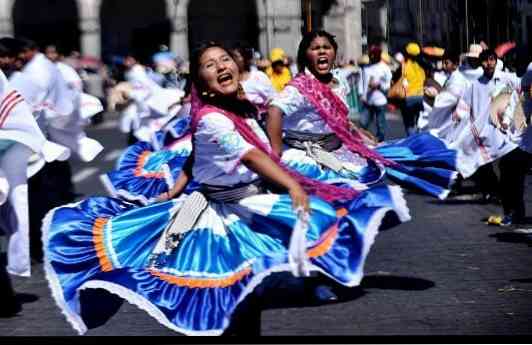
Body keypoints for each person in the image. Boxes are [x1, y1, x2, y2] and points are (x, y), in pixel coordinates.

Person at [42, 41, 410, 336]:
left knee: (251, 292)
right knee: (227, 300)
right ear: (201, 83)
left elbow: (199, 158)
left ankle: (302, 287)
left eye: (224, 60)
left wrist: (174, 189)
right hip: (218, 216)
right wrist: (292, 185)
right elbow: (250, 155)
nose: (220, 67)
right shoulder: (213, 118)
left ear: (237, 65)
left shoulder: (242, 108)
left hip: (250, 204)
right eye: (209, 65)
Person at [265, 30, 458, 200]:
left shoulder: (339, 82)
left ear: (334, 53)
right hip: (304, 155)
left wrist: (358, 131)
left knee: (376, 171)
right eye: (315, 48)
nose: (322, 51)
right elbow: (274, 111)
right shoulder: (300, 87)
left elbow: (339, 119)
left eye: (326, 47)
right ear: (305, 55)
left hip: (336, 149)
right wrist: (276, 154)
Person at [230, 42, 277, 120]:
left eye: (235, 56)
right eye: (230, 57)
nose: (232, 60)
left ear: (245, 58)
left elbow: (274, 100)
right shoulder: (229, 81)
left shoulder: (258, 77)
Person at [358, 45, 392, 142]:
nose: (372, 58)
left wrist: (379, 85)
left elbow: (388, 83)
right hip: (367, 100)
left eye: (374, 56)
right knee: (363, 122)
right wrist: (361, 94)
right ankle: (362, 139)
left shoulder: (384, 68)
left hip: (380, 99)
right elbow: (362, 81)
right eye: (371, 56)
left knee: (380, 123)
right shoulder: (366, 68)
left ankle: (380, 140)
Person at [399, 42, 426, 136]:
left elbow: (401, 80)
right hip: (421, 97)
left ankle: (412, 141)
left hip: (409, 97)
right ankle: (419, 139)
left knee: (409, 123)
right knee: (419, 122)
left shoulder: (404, 65)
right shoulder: (422, 66)